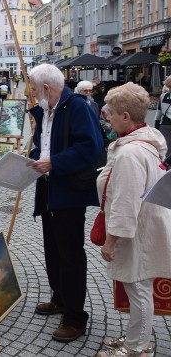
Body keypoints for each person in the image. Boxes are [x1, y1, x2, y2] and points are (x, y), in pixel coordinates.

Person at [26, 64, 103, 343]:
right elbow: (45, 146)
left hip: (69, 193)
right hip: (48, 189)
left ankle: (74, 317)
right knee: (52, 249)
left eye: (34, 90)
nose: (33, 95)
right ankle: (59, 298)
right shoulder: (46, 110)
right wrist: (33, 159)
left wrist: (54, 162)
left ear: (47, 88)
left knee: (70, 255)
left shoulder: (77, 106)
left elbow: (90, 147)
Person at [96, 82, 171, 357]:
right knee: (139, 287)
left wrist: (111, 242)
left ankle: (137, 348)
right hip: (144, 228)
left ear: (126, 116)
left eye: (112, 112)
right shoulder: (143, 143)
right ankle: (134, 339)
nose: (107, 115)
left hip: (136, 233)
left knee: (139, 289)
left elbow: (126, 203)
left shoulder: (130, 153)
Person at [154, 76, 171, 157]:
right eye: (169, 86)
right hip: (165, 125)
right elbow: (159, 112)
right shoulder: (163, 96)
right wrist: (156, 126)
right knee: (165, 149)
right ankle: (165, 168)